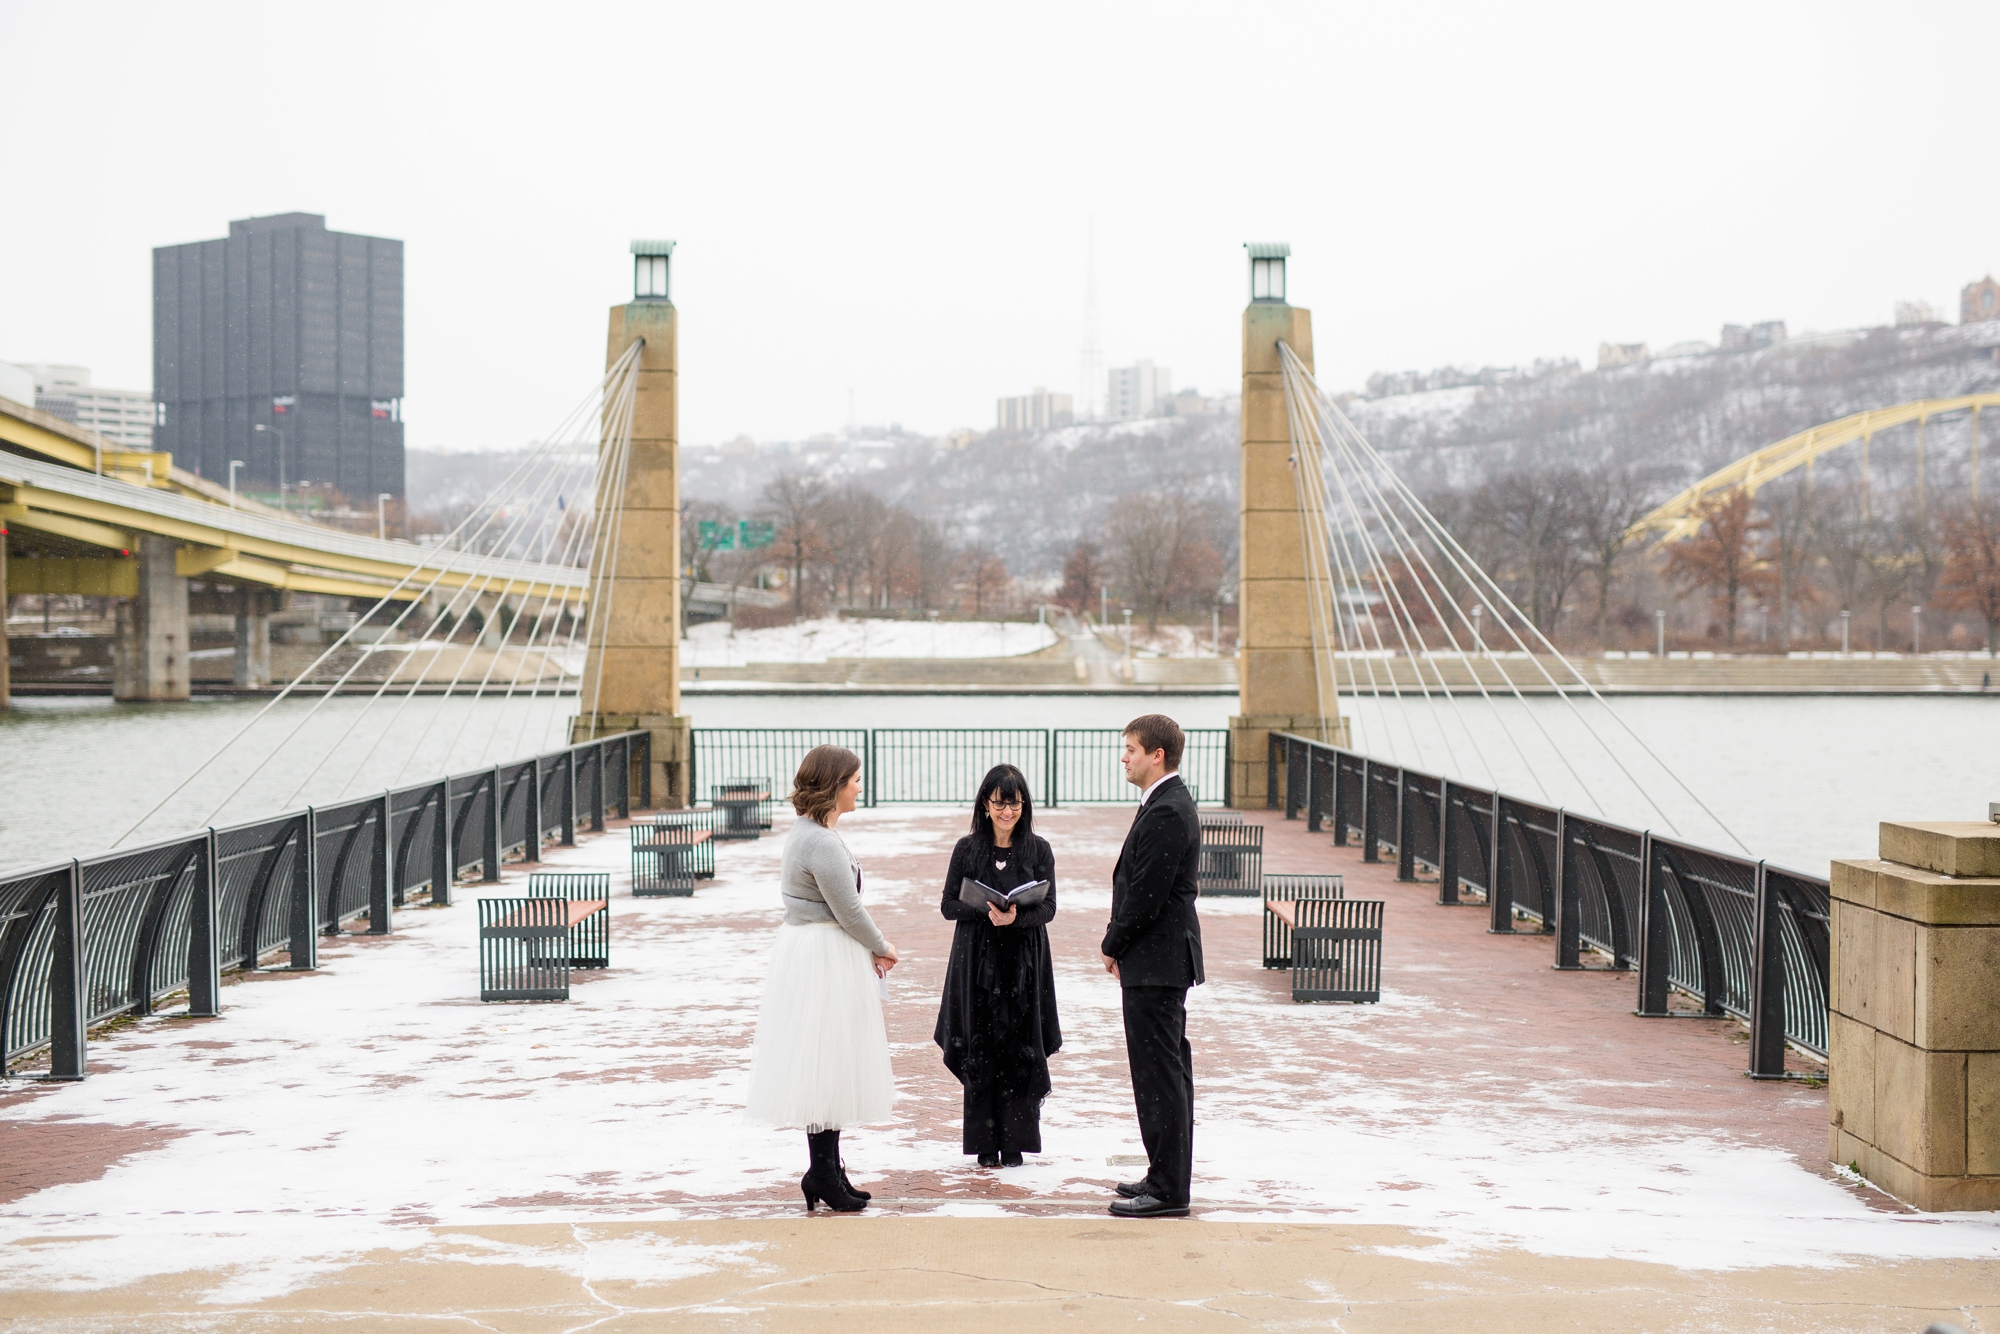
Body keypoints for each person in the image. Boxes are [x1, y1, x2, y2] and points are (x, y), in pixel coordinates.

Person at [745, 745, 900, 1213]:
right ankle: (823, 1172)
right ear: (834, 786)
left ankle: (827, 1170)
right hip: (822, 953)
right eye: (854, 779)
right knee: (824, 1061)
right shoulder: (818, 840)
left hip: (819, 950)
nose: (859, 786)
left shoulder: (813, 833)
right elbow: (847, 908)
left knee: (827, 1063)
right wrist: (882, 945)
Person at [1099, 713, 1203, 1218]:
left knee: (1160, 1074)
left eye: (1131, 749)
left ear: (1156, 755)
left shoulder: (1167, 811)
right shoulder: (1164, 803)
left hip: (1157, 960)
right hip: (1157, 958)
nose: (1124, 757)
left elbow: (1145, 894)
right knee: (1163, 1071)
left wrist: (1112, 943)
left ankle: (1167, 1190)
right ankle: (1163, 1173)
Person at [933, 764, 1062, 1168]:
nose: (1008, 812)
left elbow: (1049, 907)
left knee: (1020, 1044)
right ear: (985, 804)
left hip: (1025, 962)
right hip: (977, 962)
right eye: (1000, 803)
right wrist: (985, 913)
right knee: (982, 1042)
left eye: (1016, 803)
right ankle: (984, 1143)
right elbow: (948, 905)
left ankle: (1016, 1142)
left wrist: (1015, 918)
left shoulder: (1038, 849)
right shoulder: (967, 849)